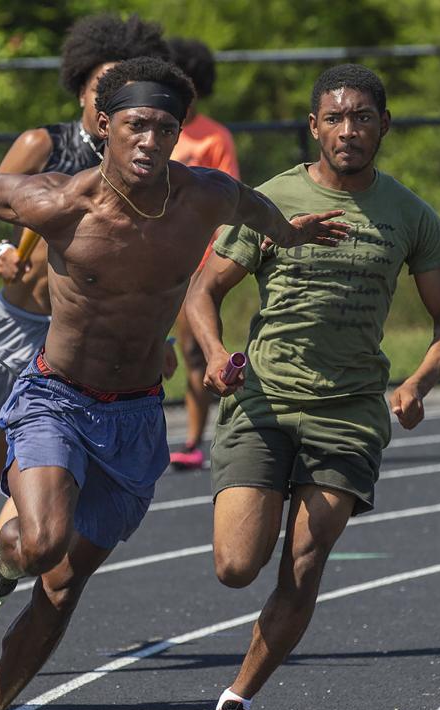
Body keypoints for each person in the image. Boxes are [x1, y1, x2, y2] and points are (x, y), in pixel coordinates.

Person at [0, 57, 348, 710]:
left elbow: (256, 211)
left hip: (136, 414)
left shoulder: (202, 196)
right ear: (104, 126)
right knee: (40, 542)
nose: (150, 139)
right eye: (137, 123)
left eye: (166, 127)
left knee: (65, 589)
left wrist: (293, 237)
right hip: (56, 398)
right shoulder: (65, 202)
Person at [185, 64, 440, 710]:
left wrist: (415, 385)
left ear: (384, 125)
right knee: (236, 564)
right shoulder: (271, 198)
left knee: (305, 561)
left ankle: (236, 699)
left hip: (348, 414)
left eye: (363, 117)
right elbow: (200, 291)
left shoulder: (409, 215)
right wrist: (217, 353)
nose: (349, 129)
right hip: (264, 400)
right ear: (315, 125)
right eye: (335, 118)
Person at [0, 13, 170, 498]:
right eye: (101, 86)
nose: (108, 98)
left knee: (60, 468)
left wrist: (163, 335)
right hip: (18, 322)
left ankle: (40, 538)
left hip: (83, 339)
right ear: (80, 90)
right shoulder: (41, 145)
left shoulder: (142, 167)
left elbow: (151, 265)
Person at [165, 36, 241, 471]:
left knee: (193, 349)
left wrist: (212, 262)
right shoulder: (154, 127)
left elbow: (227, 201)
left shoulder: (214, 137)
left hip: (195, 263)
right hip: (149, 259)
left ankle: (195, 438)